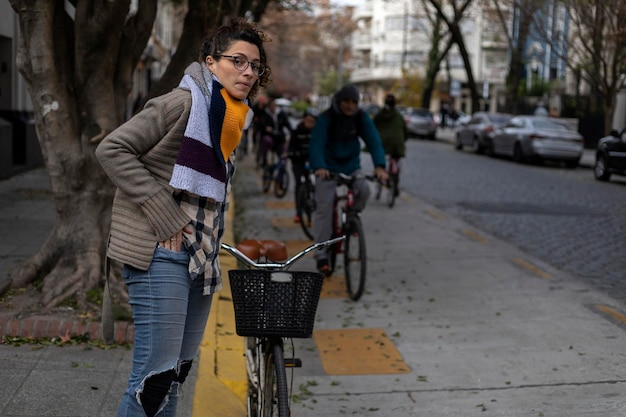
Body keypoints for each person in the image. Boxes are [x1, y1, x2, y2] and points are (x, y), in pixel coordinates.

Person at [95, 18, 271, 417]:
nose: (247, 71)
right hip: (161, 253)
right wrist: (165, 214)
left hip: (203, 259)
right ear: (211, 62)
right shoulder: (184, 103)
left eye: (254, 65)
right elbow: (112, 150)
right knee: (152, 383)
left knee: (174, 378)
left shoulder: (232, 117)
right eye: (237, 61)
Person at [308, 84, 387, 275]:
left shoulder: (361, 118)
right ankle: (321, 255)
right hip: (327, 168)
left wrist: (380, 166)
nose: (350, 106)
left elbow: (373, 140)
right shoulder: (327, 118)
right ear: (339, 101)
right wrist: (319, 166)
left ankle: (353, 218)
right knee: (324, 210)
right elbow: (316, 143)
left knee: (364, 190)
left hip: (351, 166)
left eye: (354, 102)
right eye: (346, 102)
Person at [373, 94, 408, 195]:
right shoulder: (398, 116)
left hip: (382, 142)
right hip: (397, 143)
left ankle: (379, 174)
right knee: (395, 160)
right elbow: (405, 131)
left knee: (380, 157)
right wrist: (403, 140)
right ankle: (395, 184)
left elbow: (372, 127)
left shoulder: (380, 115)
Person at [288, 107, 318, 223]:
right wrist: (292, 153)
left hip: (312, 161)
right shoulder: (296, 131)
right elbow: (291, 147)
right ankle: (298, 212)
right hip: (298, 161)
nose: (309, 124)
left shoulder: (317, 132)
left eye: (312, 121)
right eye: (308, 120)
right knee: (299, 184)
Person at [256, 97, 291, 167]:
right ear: (268, 107)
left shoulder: (281, 114)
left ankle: (280, 168)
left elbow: (287, 124)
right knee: (266, 141)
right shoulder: (264, 113)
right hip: (269, 136)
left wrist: (290, 132)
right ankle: (264, 159)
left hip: (280, 137)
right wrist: (266, 128)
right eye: (271, 106)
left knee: (284, 151)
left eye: (274, 106)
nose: (273, 108)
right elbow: (260, 123)